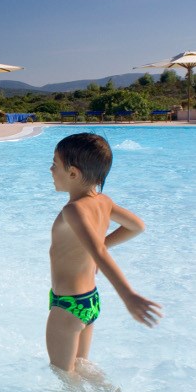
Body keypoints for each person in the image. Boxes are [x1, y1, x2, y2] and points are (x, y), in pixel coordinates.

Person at [46, 133, 161, 373]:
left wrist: (128, 295)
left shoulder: (73, 211)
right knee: (81, 367)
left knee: (64, 378)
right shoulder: (103, 201)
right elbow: (136, 226)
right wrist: (104, 244)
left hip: (67, 305)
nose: (50, 169)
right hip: (89, 301)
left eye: (55, 164)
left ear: (73, 173)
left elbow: (97, 251)